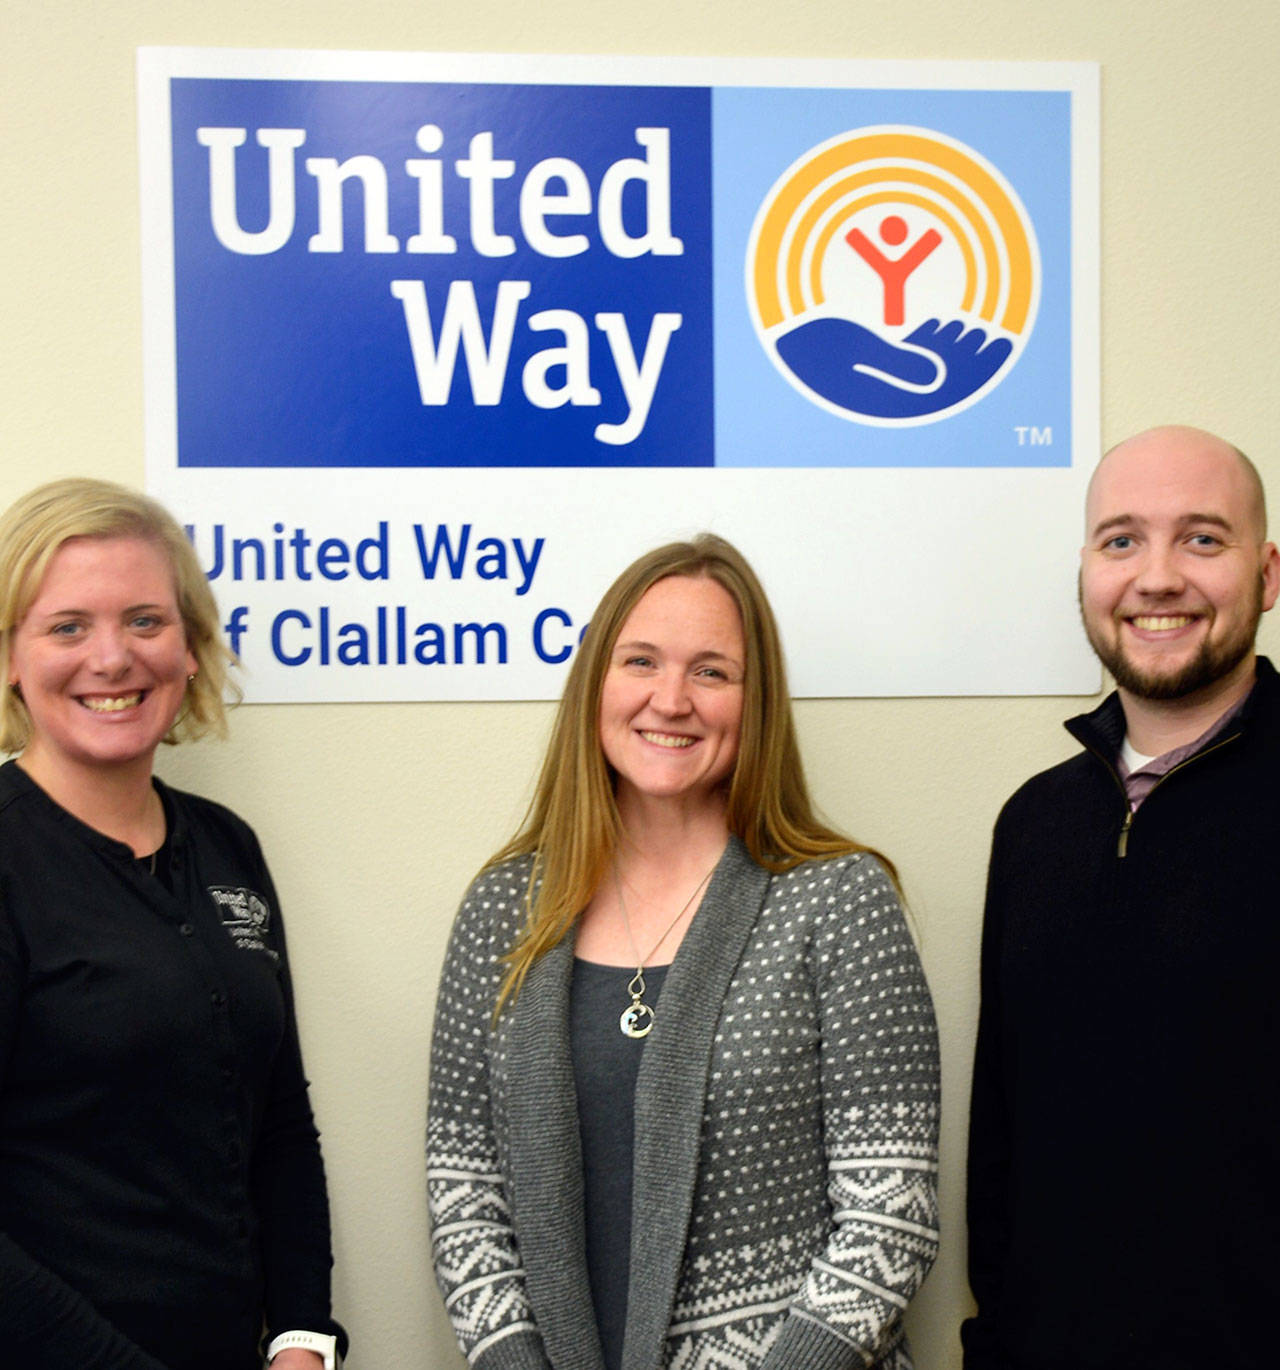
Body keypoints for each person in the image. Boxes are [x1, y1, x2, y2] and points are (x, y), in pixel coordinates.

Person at [427, 534, 939, 1370]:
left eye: (712, 671)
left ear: (755, 701)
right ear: (595, 683)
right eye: (640, 662)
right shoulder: (501, 911)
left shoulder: (840, 901)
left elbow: (891, 1219)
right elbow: (465, 1197)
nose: (671, 699)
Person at [0, 478, 345, 1370]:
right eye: (67, 626)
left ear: (192, 648)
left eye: (145, 621)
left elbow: (280, 1122)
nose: (111, 659)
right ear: (10, 658)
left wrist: (302, 1339)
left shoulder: (229, 848)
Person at [963, 426, 1280, 1368]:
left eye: (1203, 538)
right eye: (1121, 540)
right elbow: (1003, 1133)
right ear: (1086, 573)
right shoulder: (1035, 825)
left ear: (1268, 574)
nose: (1158, 577)